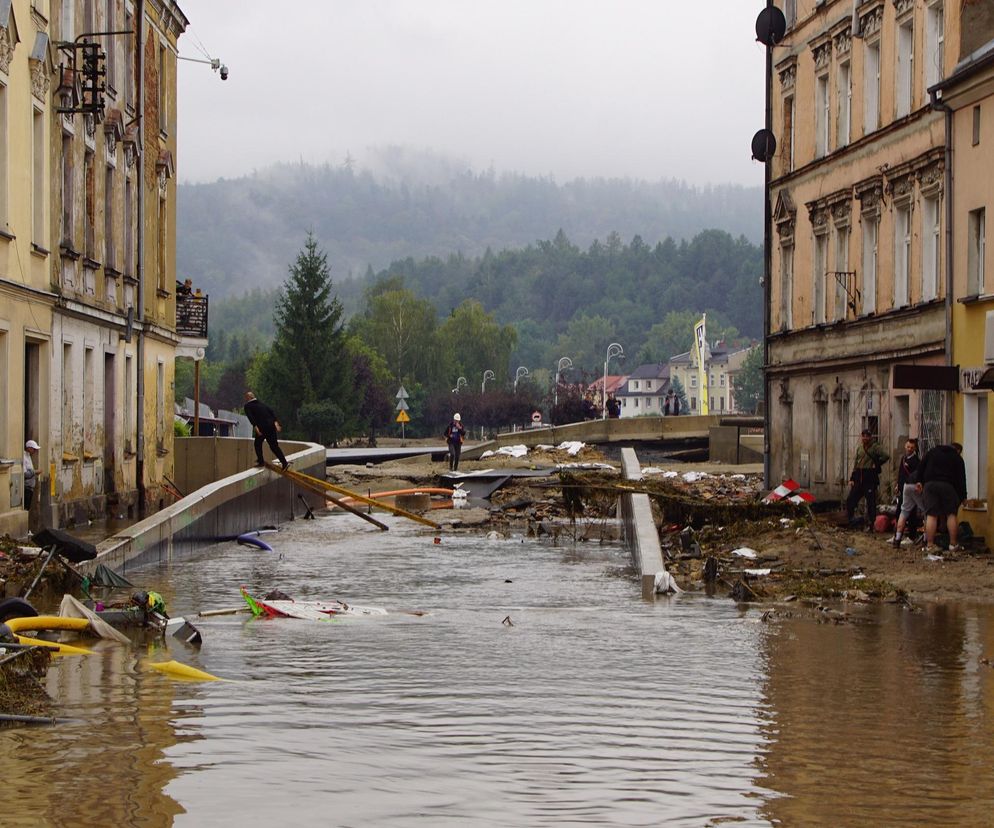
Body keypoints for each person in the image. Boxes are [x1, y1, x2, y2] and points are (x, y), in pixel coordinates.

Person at [916, 442, 967, 553]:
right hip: (947, 485)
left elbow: (920, 467)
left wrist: (919, 481)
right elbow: (961, 478)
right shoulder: (956, 457)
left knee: (932, 515)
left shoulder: (931, 452)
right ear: (956, 450)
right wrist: (963, 496)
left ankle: (930, 545)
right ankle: (953, 544)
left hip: (929, 485)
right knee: (951, 514)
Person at [845, 429, 889, 529]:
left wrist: (876, 464)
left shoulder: (875, 447)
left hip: (869, 478)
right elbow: (856, 463)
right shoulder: (860, 448)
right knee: (851, 500)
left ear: (870, 437)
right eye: (863, 436)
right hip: (859, 477)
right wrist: (852, 478)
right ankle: (851, 520)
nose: (865, 438)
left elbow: (886, 456)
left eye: (867, 436)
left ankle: (871, 524)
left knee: (871, 502)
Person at [244, 391, 289, 470]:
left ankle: (261, 461)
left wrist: (256, 427)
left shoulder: (248, 406)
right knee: (274, 446)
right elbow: (272, 412)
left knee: (257, 444)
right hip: (271, 426)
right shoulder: (262, 404)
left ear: (248, 398)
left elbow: (251, 418)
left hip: (262, 427)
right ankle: (284, 463)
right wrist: (276, 424)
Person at [890, 438, 921, 546]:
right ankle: (897, 535)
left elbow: (917, 475)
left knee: (911, 513)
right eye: (908, 447)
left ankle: (911, 536)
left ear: (915, 449)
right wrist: (898, 485)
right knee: (899, 511)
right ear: (905, 446)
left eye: (912, 448)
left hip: (911, 489)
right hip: (903, 488)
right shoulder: (903, 458)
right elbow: (901, 473)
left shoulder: (916, 461)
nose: (909, 449)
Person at [23, 439, 39, 510]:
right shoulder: (24, 457)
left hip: (30, 487)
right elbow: (25, 474)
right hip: (26, 487)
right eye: (34, 449)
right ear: (29, 448)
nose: (35, 451)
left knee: (28, 507)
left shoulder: (28, 456)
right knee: (26, 508)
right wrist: (35, 472)